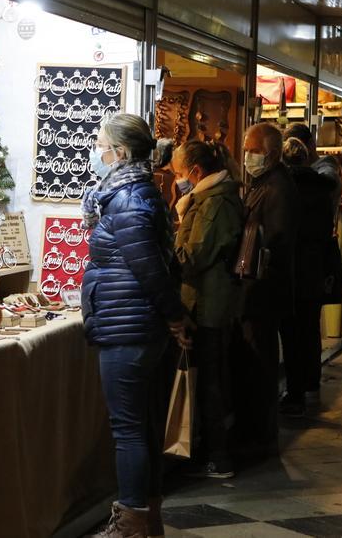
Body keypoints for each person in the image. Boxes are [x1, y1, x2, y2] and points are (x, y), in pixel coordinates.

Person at [81, 113, 186, 538]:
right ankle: (147, 520)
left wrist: (176, 317)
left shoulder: (127, 200)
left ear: (120, 153)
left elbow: (151, 271)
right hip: (135, 325)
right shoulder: (132, 194)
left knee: (129, 431)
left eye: (101, 144)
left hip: (130, 329)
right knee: (140, 426)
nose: (96, 152)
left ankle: (131, 525)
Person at [171, 140, 244, 478]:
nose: (177, 180)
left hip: (209, 306)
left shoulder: (215, 204)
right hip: (204, 302)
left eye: (179, 174)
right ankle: (212, 449)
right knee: (209, 379)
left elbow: (194, 255)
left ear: (196, 172)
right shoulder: (207, 200)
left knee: (211, 381)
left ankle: (219, 455)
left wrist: (162, 253)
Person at [231, 123, 297, 460]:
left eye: (252, 149)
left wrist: (257, 280)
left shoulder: (277, 188)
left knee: (260, 362)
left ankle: (260, 435)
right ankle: (256, 431)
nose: (247, 155)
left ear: (270, 152)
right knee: (255, 362)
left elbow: (276, 241)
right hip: (256, 291)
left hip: (262, 292)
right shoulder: (263, 183)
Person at [277, 134, 337, 417]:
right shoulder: (322, 190)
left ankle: (295, 391)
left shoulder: (285, 189)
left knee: (291, 333)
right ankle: (312, 385)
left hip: (290, 269)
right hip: (313, 269)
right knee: (310, 331)